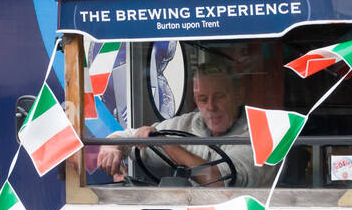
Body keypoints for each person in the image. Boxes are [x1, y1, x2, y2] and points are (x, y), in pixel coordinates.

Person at [95, 64, 258, 187]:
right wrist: (112, 148)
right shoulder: (187, 124)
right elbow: (129, 137)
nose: (211, 107)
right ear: (195, 100)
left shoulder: (256, 137)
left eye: (219, 97)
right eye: (202, 99)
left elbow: (217, 181)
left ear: (238, 96)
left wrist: (166, 143)